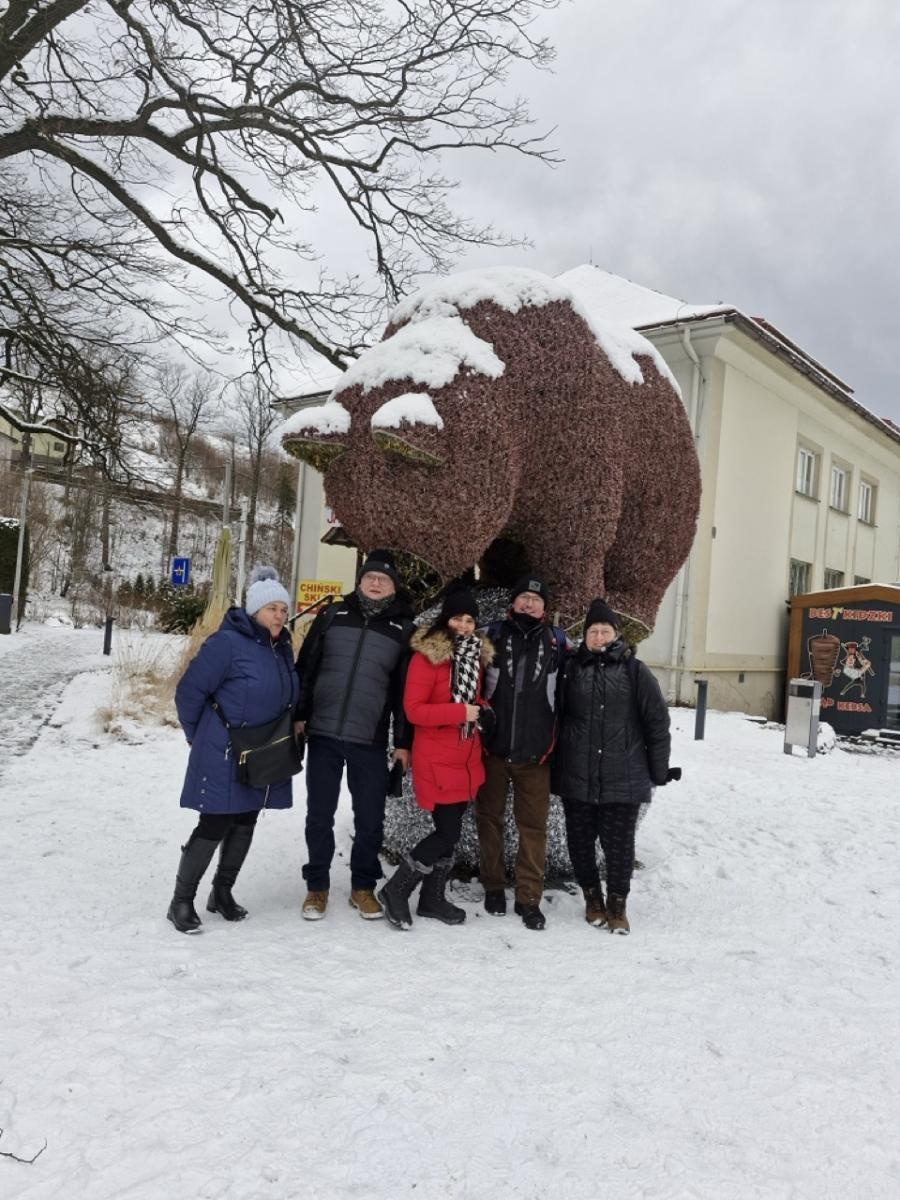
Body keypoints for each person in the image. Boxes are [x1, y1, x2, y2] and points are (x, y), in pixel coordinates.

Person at [168, 566, 300, 934]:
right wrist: (198, 735)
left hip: (259, 750)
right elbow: (188, 693)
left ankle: (221, 893)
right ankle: (181, 900)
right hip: (223, 748)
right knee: (215, 821)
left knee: (245, 820)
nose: (279, 615)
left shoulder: (281, 647)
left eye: (283, 610)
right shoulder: (226, 644)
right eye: (272, 608)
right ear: (255, 610)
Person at [295, 549, 414, 921]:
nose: (375, 583)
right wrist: (300, 716)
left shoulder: (403, 629)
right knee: (319, 815)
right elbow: (306, 666)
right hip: (324, 734)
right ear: (360, 580)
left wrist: (404, 742)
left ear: (393, 587)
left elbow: (404, 692)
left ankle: (363, 887)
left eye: (384, 578)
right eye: (370, 576)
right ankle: (317, 887)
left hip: (371, 738)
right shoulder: (332, 614)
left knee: (370, 819)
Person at [553, 598, 671, 935]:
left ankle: (617, 905)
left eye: (605, 630)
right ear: (585, 635)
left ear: (616, 634)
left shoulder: (636, 671)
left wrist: (658, 771)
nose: (599, 636)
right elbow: (556, 715)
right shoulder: (571, 668)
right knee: (579, 842)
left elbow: (656, 723)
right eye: (593, 631)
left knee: (619, 846)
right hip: (577, 773)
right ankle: (592, 898)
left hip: (624, 775)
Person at [379, 587, 494, 930]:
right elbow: (415, 711)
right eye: (458, 617)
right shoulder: (426, 657)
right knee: (445, 832)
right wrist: (463, 712)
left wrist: (483, 712)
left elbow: (475, 702)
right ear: (446, 619)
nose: (463, 624)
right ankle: (396, 890)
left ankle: (432, 899)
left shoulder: (474, 658)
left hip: (467, 756)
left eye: (469, 619)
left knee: (452, 831)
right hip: (438, 758)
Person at [476, 575, 570, 930]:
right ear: (512, 603)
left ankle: (529, 897)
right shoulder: (492, 635)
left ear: (546, 608)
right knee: (489, 819)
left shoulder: (558, 642)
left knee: (533, 827)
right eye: (524, 598)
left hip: (537, 754)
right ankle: (494, 885)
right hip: (494, 750)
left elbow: (568, 696)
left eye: (536, 599)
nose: (529, 604)